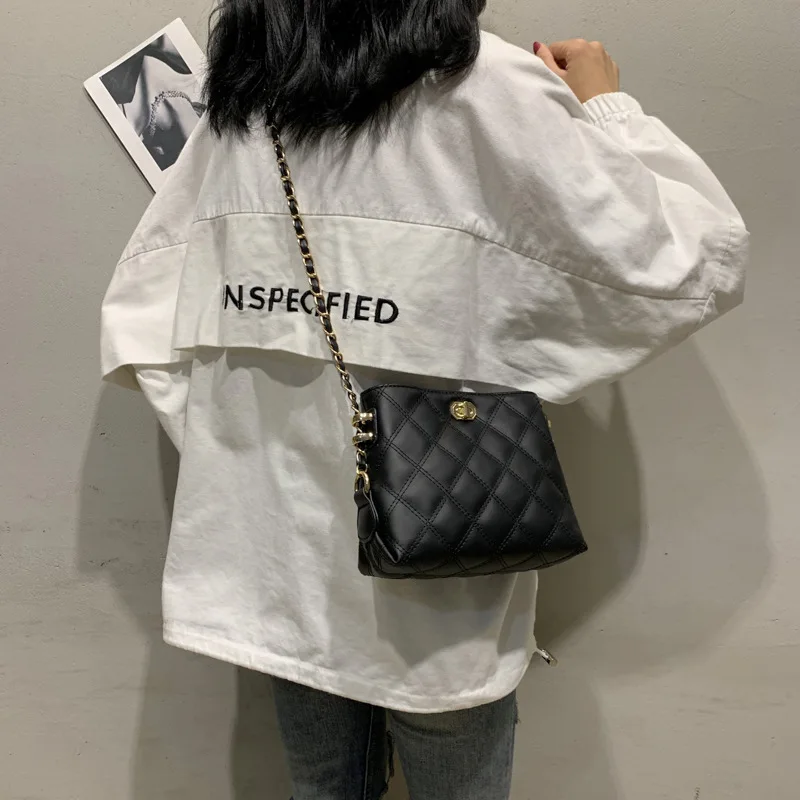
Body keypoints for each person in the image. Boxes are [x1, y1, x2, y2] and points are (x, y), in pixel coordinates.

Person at [99, 2, 748, 798]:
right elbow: (693, 263)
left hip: (278, 563)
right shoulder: (485, 86)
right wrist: (607, 106)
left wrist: (243, 457)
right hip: (441, 560)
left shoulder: (246, 105)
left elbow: (148, 319)